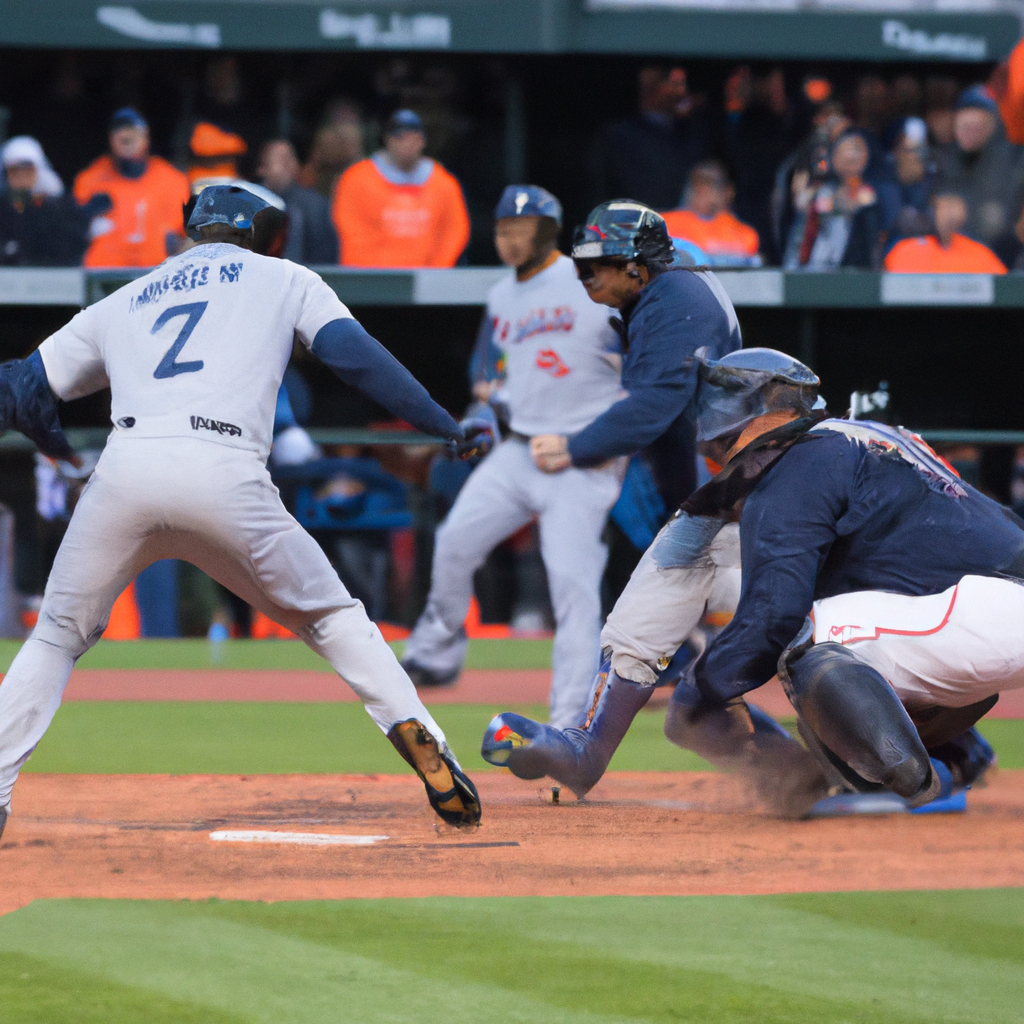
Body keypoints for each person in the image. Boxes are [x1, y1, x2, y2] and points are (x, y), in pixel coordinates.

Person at [0, 183, 490, 842]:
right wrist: (442, 424)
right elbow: (357, 359)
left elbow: (24, 388)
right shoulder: (285, 277)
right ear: (261, 230)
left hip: (127, 466)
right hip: (225, 470)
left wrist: (53, 443)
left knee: (57, 635)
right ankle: (424, 740)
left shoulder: (125, 298)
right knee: (332, 616)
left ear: (193, 226)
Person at [485, 348, 1009, 820]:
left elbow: (774, 615)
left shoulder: (799, 463)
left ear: (772, 409)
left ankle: (918, 782)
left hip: (981, 616)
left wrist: (699, 688)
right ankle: (926, 760)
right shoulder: (855, 443)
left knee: (806, 634)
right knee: (822, 623)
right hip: (965, 617)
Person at [401, 186, 626, 727]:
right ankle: (436, 653)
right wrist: (491, 402)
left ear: (549, 232)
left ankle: (572, 720)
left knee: (572, 587)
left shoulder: (588, 281)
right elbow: (487, 372)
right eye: (505, 228)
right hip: (519, 448)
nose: (512, 238)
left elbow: (637, 362)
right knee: (455, 541)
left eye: (525, 229)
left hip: (580, 456)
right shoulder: (503, 295)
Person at [527, 200, 740, 513]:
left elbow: (656, 402)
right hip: (684, 441)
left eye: (604, 260)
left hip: (713, 460)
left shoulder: (676, 296)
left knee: (582, 474)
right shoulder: (655, 286)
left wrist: (572, 447)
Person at [331, 109, 470, 268]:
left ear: (423, 141)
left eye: (413, 138)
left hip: (426, 281)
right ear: (387, 139)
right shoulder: (356, 179)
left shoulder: (444, 184)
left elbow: (454, 233)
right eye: (400, 137)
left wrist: (433, 273)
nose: (407, 144)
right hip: (373, 280)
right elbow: (352, 234)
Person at [74, 108, 191, 268]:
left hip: (157, 275)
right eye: (120, 132)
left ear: (146, 137)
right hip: (105, 278)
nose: (126, 137)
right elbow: (69, 235)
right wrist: (84, 218)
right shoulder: (90, 180)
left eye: (132, 131)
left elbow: (192, 237)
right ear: (110, 139)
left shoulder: (173, 180)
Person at [589, 66, 708, 212]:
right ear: (650, 87)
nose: (681, 92)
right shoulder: (619, 135)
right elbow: (603, 188)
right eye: (673, 84)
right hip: (633, 224)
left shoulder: (690, 135)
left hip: (683, 226)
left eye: (682, 85)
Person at [933, 85, 1024, 249]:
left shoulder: (1011, 160)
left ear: (995, 123)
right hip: (951, 255)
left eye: (977, 126)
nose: (972, 121)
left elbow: (1000, 222)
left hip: (1000, 255)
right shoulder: (946, 158)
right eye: (965, 126)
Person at [783, 130, 882, 270]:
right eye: (848, 150)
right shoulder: (819, 192)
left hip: (854, 273)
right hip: (815, 269)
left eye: (859, 151)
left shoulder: (868, 196)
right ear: (834, 158)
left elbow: (873, 242)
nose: (853, 154)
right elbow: (801, 234)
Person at [0, 136, 93, 267]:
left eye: (27, 171)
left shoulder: (59, 207)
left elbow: (72, 246)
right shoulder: (4, 209)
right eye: (14, 172)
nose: (21, 178)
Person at [661, 161, 761, 267]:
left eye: (710, 184)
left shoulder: (745, 234)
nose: (702, 190)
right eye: (696, 184)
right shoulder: (666, 223)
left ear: (729, 192)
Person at [884, 190, 1007, 273]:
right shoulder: (905, 252)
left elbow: (1004, 290)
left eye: (953, 205)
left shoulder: (981, 254)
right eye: (943, 206)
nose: (949, 213)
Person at [258, 139, 339, 265]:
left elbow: (327, 258)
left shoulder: (316, 205)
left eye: (290, 159)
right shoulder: (248, 202)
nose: (287, 165)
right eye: (280, 160)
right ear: (262, 168)